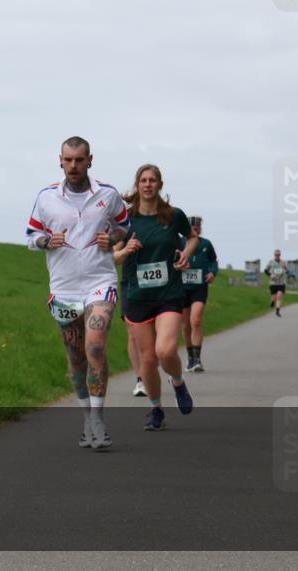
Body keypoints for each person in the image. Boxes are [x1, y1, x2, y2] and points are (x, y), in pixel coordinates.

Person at [27, 136, 129, 449]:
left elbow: (125, 226)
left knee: (95, 346)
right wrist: (46, 241)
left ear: (90, 161)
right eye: (68, 160)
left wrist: (114, 237)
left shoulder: (108, 194)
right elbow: (31, 236)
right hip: (64, 287)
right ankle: (86, 418)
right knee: (76, 357)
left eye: (79, 160)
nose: (73, 166)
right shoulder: (46, 197)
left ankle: (98, 420)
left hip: (100, 281)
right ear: (60, 160)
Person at [121, 164, 198, 431]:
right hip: (138, 296)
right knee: (148, 360)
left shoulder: (173, 216)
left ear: (160, 185)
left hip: (168, 294)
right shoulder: (126, 219)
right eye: (143, 180)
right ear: (137, 185)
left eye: (152, 180)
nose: (148, 184)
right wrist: (125, 250)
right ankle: (156, 410)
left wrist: (185, 253)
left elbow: (192, 238)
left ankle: (178, 382)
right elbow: (112, 256)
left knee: (164, 350)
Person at [180, 216, 218, 372]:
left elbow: (213, 261)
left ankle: (197, 360)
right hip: (182, 287)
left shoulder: (206, 244)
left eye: (197, 228)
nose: (195, 230)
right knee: (185, 325)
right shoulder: (179, 242)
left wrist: (212, 272)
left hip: (199, 287)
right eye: (192, 228)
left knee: (195, 320)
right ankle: (190, 358)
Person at [113, 240, 146, 396]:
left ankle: (151, 370)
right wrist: (124, 250)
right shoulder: (126, 229)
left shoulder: (162, 226)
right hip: (130, 283)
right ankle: (140, 380)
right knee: (132, 333)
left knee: (151, 335)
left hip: (155, 284)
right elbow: (113, 255)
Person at [264, 250, 288, 317]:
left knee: (279, 297)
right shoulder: (271, 262)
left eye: (278, 255)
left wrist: (285, 271)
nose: (277, 256)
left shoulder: (283, 262)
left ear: (280, 255)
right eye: (276, 255)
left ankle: (277, 311)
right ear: (274, 255)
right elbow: (265, 270)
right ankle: (272, 301)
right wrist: (270, 275)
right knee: (274, 297)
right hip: (273, 282)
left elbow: (287, 270)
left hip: (281, 282)